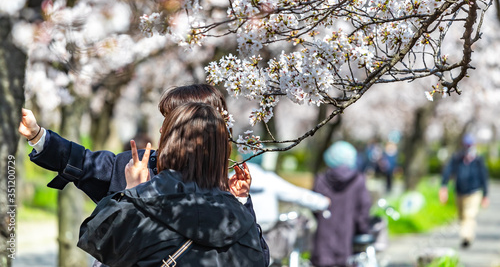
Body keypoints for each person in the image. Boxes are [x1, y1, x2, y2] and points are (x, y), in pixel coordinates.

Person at [18, 83, 269, 264]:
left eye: (171, 119)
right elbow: (88, 163)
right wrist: (39, 137)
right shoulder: (142, 164)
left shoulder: (225, 189)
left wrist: (241, 200)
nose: (162, 128)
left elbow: (253, 255)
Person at [77, 102, 267, 266]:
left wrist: (132, 192)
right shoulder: (241, 218)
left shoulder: (149, 200)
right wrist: (241, 202)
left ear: (169, 142)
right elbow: (259, 260)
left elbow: (102, 244)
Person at [311, 141, 372, 267]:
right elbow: (363, 209)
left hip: (323, 243)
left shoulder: (321, 179)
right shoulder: (358, 180)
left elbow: (315, 208)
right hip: (348, 242)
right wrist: (363, 230)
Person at [439, 133, 489, 248]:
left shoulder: (478, 159)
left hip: (474, 192)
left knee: (469, 215)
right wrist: (443, 186)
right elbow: (448, 171)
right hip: (459, 192)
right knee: (461, 216)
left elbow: (484, 177)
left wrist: (485, 195)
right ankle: (467, 234)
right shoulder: (457, 158)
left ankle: (466, 236)